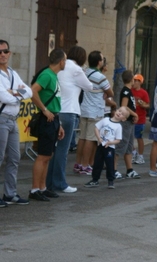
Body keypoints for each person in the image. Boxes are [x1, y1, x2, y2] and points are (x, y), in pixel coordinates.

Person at [46, 46, 93, 195]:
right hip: (69, 111)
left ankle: (50, 182)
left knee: (54, 149)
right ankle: (60, 182)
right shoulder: (76, 69)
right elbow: (89, 86)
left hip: (56, 110)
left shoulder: (59, 68)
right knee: (63, 150)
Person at [29, 49, 66, 201]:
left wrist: (59, 124)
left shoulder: (53, 75)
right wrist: (44, 110)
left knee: (48, 155)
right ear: (61, 61)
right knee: (43, 155)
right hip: (47, 119)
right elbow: (33, 91)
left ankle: (43, 187)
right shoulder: (47, 75)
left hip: (54, 119)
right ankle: (35, 189)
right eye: (65, 60)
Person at [0, 39, 33, 207]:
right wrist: (17, 94)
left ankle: (10, 194)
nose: (2, 55)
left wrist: (14, 92)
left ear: (9, 53)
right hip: (2, 119)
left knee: (14, 158)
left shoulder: (12, 73)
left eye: (5, 51)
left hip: (13, 120)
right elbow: (4, 97)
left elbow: (29, 90)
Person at [74, 51, 114, 175]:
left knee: (82, 137)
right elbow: (110, 92)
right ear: (99, 62)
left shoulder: (85, 72)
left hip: (84, 108)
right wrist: (106, 93)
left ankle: (78, 163)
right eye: (102, 59)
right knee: (90, 139)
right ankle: (85, 165)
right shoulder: (100, 77)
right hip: (95, 110)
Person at [84, 107, 129, 189]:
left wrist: (110, 142)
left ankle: (110, 180)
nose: (119, 113)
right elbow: (96, 128)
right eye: (119, 111)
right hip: (101, 145)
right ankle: (95, 179)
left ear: (124, 119)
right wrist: (99, 138)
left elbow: (118, 140)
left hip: (110, 147)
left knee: (110, 164)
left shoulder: (118, 126)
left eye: (122, 114)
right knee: (97, 162)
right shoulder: (105, 120)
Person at [114, 70, 140, 179]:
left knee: (129, 146)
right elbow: (124, 107)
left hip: (129, 122)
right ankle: (113, 169)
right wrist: (134, 114)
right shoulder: (125, 92)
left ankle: (129, 169)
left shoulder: (130, 91)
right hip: (125, 123)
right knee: (120, 145)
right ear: (131, 79)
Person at [131, 74, 150, 165]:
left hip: (140, 118)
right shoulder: (130, 91)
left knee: (139, 137)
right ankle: (134, 152)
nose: (134, 82)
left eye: (136, 80)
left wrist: (143, 104)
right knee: (130, 137)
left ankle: (141, 155)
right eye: (133, 80)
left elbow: (147, 105)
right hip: (131, 118)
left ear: (140, 82)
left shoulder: (144, 93)